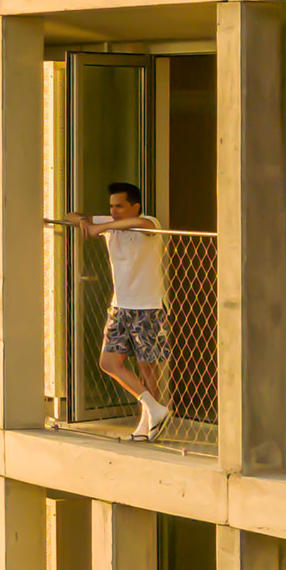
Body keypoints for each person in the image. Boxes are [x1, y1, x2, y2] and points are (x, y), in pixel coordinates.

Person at [63, 181, 170, 440]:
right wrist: (84, 222)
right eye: (111, 207)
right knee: (109, 362)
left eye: (120, 206)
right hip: (120, 306)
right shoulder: (111, 221)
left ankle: (147, 427)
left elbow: (142, 226)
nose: (114, 211)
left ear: (136, 206)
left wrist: (103, 226)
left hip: (148, 307)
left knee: (147, 369)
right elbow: (69, 215)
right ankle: (156, 409)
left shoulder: (149, 223)